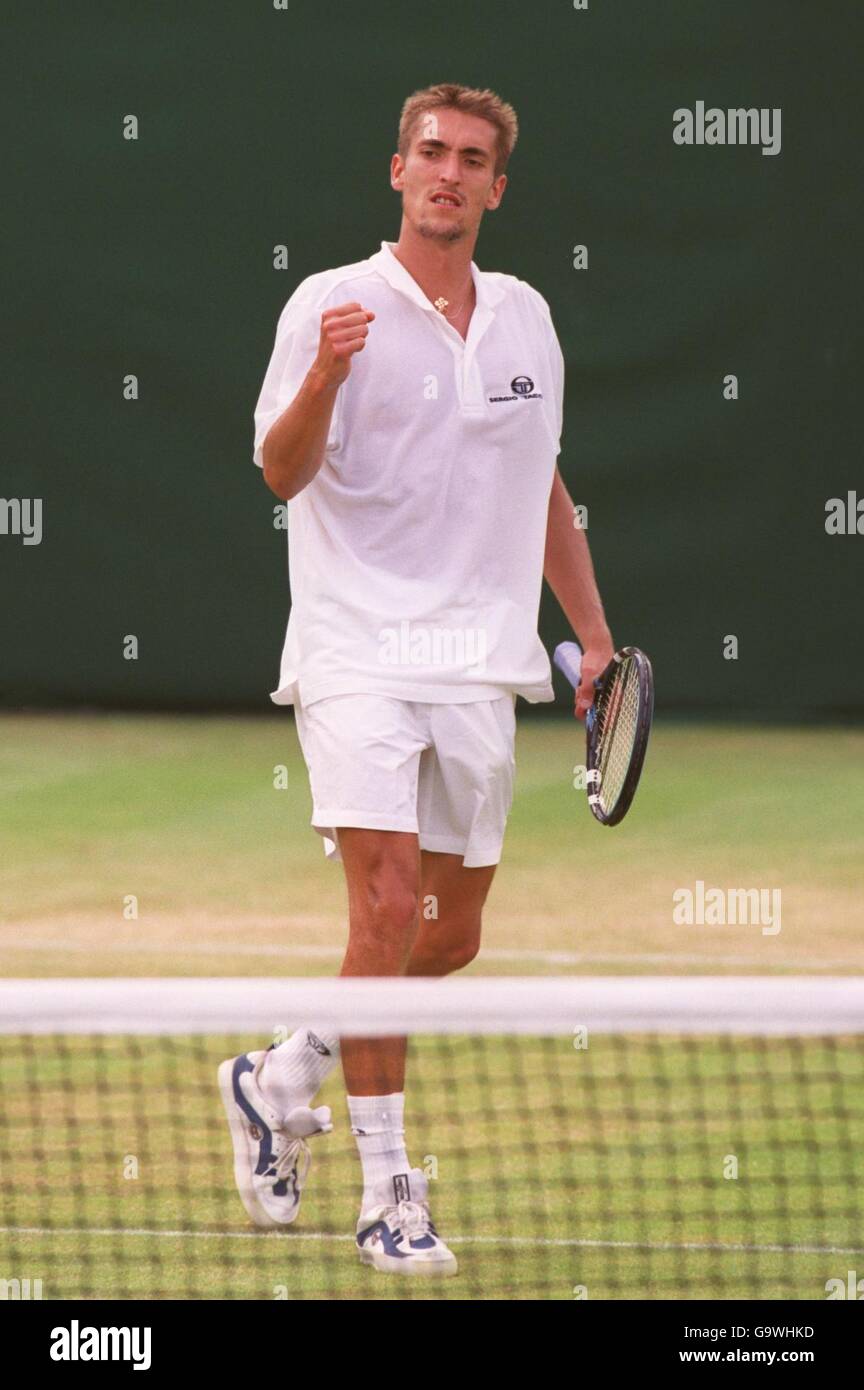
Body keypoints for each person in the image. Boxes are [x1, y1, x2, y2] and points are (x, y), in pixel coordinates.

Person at [219, 82, 613, 1278]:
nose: (447, 170)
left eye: (471, 158)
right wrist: (330, 377)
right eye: (429, 152)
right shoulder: (327, 303)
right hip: (353, 648)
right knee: (385, 911)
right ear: (397, 172)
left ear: (498, 186)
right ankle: (390, 1189)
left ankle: (280, 1071)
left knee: (446, 941)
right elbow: (281, 475)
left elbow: (541, 485)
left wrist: (591, 639)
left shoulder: (530, 320)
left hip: (478, 660)